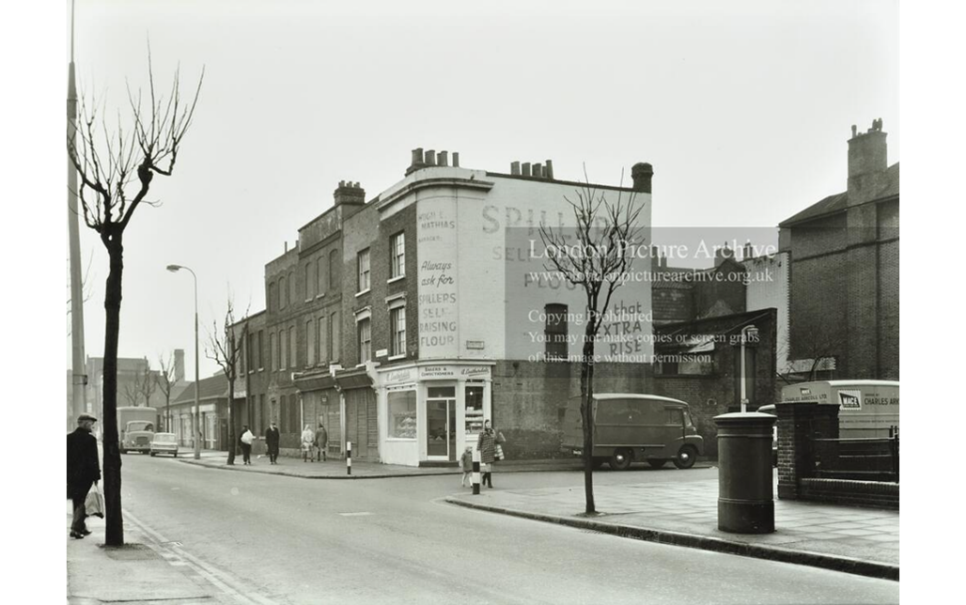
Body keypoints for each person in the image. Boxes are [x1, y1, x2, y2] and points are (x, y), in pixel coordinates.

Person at [65, 414, 101, 540]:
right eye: (91, 424)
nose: (92, 426)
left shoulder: (68, 438)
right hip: (86, 476)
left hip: (72, 476)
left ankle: (81, 527)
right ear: (85, 424)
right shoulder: (90, 440)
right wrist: (96, 477)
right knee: (83, 502)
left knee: (77, 500)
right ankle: (75, 529)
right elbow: (93, 460)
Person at [476, 420, 506, 489]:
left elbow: (496, 440)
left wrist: (501, 437)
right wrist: (477, 450)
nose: (489, 425)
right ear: (485, 425)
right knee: (488, 467)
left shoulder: (493, 432)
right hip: (485, 451)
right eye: (487, 424)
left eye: (489, 423)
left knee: (489, 468)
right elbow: (479, 442)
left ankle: (484, 477)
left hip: (492, 451)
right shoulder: (482, 432)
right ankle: (489, 483)